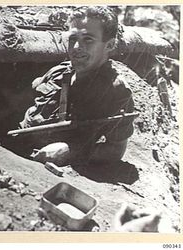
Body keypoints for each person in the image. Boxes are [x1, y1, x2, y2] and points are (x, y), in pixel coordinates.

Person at [19, 6, 138, 166]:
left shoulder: (116, 91)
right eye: (73, 38)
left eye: (88, 39)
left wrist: (70, 151)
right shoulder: (58, 71)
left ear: (109, 45)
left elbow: (115, 150)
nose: (76, 47)